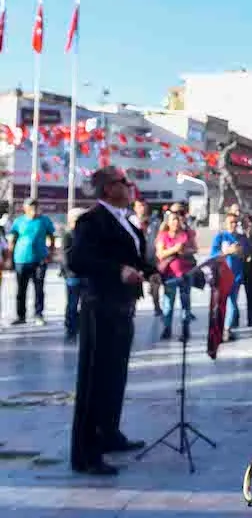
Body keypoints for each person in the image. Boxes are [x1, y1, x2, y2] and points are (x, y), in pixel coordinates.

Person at [68, 166, 159, 476]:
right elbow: (77, 260)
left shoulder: (126, 221)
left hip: (123, 308)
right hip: (100, 307)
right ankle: (85, 454)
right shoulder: (91, 221)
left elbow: (134, 258)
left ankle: (109, 434)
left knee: (115, 376)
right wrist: (117, 270)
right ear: (108, 188)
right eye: (123, 182)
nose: (129, 186)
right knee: (94, 381)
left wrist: (150, 271)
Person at [8, 198, 56, 326]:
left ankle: (38, 314)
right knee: (21, 289)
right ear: (25, 209)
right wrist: (9, 256)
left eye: (35, 208)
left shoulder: (44, 220)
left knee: (39, 288)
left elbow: (51, 237)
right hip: (21, 259)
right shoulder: (19, 221)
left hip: (40, 259)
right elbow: (12, 238)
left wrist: (50, 253)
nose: (33, 211)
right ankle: (21, 315)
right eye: (30, 208)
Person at [155, 210, 198, 341]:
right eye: (172, 219)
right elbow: (160, 254)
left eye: (177, 219)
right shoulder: (163, 236)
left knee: (186, 303)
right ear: (167, 222)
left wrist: (184, 250)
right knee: (168, 303)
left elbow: (195, 249)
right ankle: (167, 328)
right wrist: (174, 249)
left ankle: (186, 329)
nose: (175, 222)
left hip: (186, 274)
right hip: (170, 275)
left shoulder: (185, 234)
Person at [211, 213, 249, 342]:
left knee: (233, 304)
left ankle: (228, 329)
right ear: (225, 224)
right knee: (220, 304)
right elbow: (213, 255)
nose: (233, 225)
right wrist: (226, 252)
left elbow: (247, 254)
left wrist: (240, 252)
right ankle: (219, 329)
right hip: (222, 276)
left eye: (235, 222)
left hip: (236, 277)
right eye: (230, 222)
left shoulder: (241, 238)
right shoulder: (220, 237)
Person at [61, 207, 87, 342]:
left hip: (86, 275)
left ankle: (82, 328)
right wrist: (71, 272)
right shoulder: (68, 235)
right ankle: (70, 329)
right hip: (73, 276)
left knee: (86, 304)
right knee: (72, 304)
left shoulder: (88, 235)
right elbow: (65, 256)